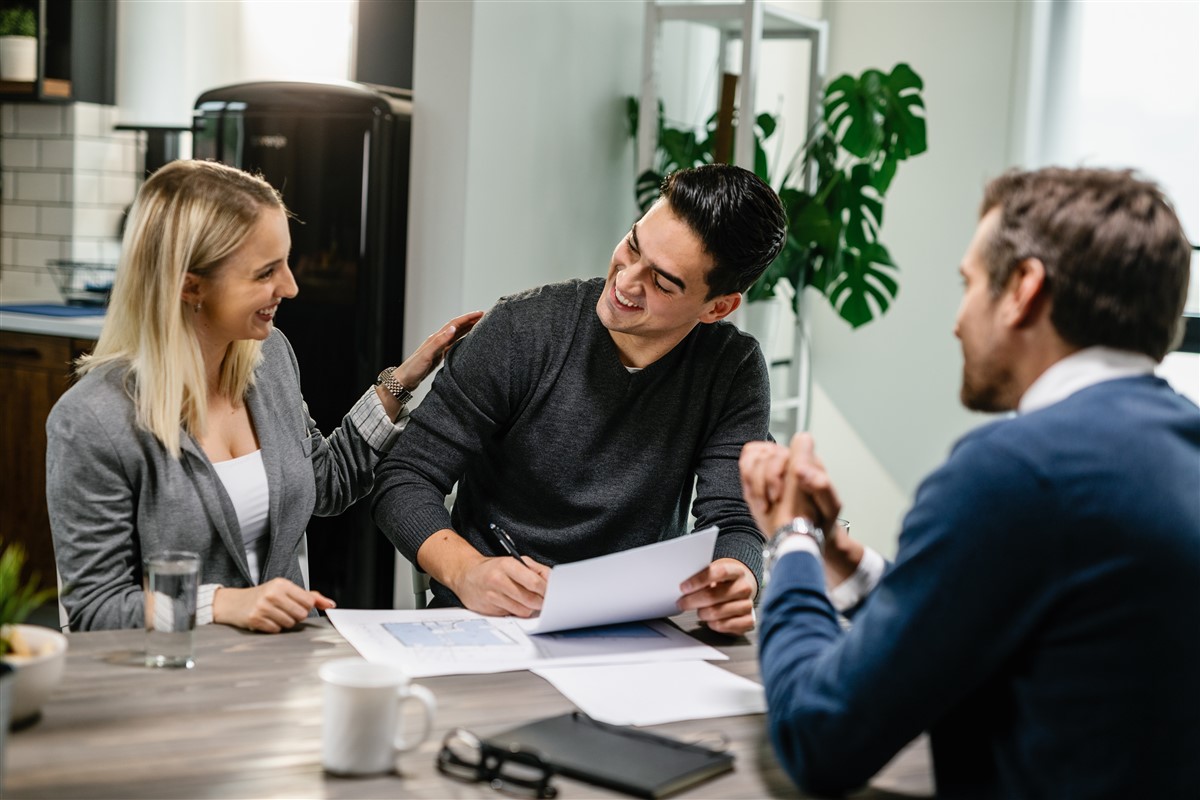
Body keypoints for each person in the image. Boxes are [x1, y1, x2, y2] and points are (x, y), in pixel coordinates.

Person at [740, 167, 1200, 797]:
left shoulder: (1016, 470)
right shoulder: (1175, 449)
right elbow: (998, 629)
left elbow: (818, 737)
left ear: (1023, 290)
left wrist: (789, 537)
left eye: (970, 284)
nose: (958, 320)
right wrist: (842, 559)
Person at [48, 159, 482, 633]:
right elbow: (95, 609)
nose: (291, 287)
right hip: (174, 681)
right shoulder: (92, 420)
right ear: (191, 285)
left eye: (286, 263)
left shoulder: (268, 357)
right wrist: (220, 604)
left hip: (281, 669)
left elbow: (327, 483)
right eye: (265, 273)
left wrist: (401, 383)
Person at [372, 164, 787, 635]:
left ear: (717, 307)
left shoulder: (731, 368)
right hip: (488, 624)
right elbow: (404, 476)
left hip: (637, 631)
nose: (627, 281)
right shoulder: (522, 330)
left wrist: (737, 575)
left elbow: (735, 518)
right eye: (632, 245)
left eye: (663, 282)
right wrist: (466, 571)